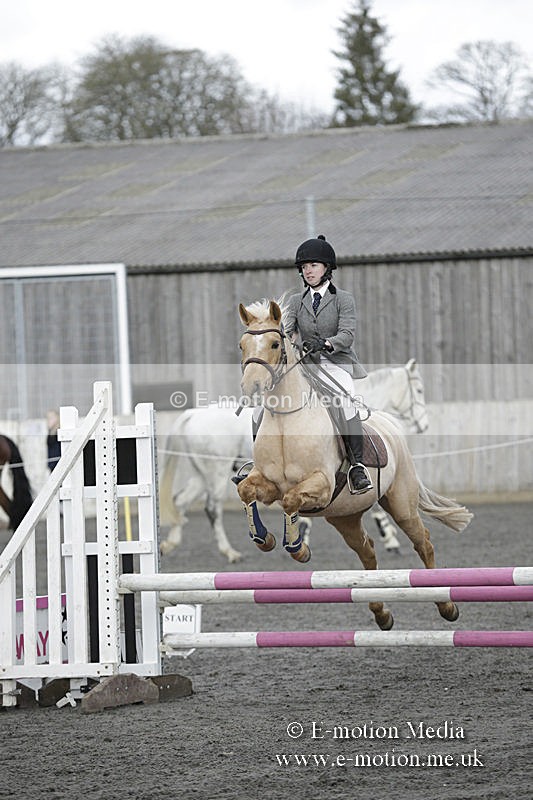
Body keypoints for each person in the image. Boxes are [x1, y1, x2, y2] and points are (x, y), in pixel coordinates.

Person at [283, 234, 372, 494]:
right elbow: (287, 333)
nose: (307, 270)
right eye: (304, 267)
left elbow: (347, 334)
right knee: (269, 402)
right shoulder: (295, 302)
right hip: (305, 365)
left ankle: (357, 466)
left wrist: (326, 344)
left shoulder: (343, 299)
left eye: (313, 265)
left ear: (326, 269)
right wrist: (289, 344)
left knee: (345, 400)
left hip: (335, 362)